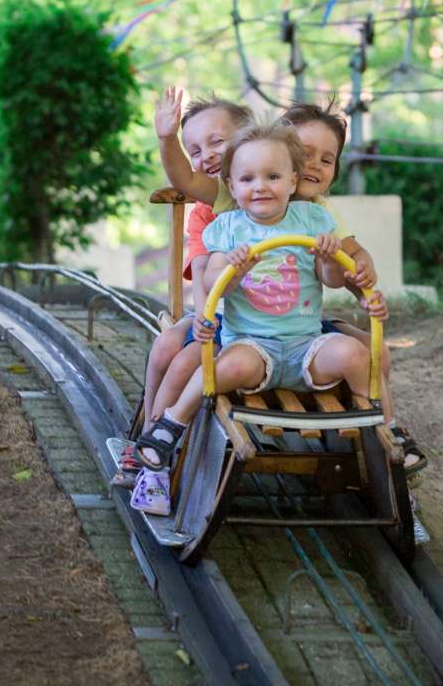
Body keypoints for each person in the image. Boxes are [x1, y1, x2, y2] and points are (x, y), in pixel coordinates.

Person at [129, 122, 387, 516]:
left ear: (292, 181)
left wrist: (327, 257)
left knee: (355, 353)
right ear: (231, 187)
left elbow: (331, 280)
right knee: (225, 364)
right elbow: (215, 285)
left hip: (305, 347)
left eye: (272, 176)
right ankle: (169, 427)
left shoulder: (312, 221)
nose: (260, 186)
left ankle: (387, 429)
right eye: (247, 178)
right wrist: (234, 270)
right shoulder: (228, 229)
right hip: (254, 345)